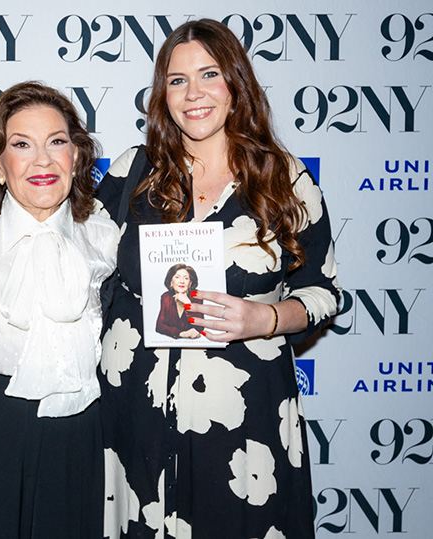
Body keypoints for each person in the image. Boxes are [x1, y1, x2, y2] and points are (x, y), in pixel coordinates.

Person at [97, 19, 341, 539]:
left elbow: (324, 292)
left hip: (244, 419)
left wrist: (267, 317)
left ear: (236, 82)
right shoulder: (131, 172)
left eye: (209, 74)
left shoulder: (284, 177)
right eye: (177, 79)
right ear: (162, 94)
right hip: (134, 413)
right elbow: (73, 262)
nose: (194, 93)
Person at [0, 81, 120, 539]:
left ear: (76, 157)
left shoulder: (107, 239)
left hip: (78, 429)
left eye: (57, 142)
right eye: (21, 145)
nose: (42, 159)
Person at [155, 263, 203, 339]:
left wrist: (188, 303)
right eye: (177, 277)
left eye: (186, 278)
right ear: (171, 282)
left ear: (190, 283)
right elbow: (160, 326)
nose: (182, 281)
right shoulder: (166, 297)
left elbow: (200, 326)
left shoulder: (197, 296)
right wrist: (181, 333)